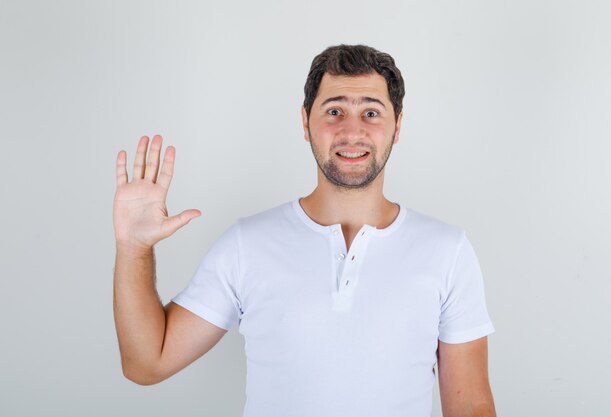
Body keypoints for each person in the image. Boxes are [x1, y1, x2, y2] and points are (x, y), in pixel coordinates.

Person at [113, 44, 497, 417]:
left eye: (371, 113)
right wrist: (133, 248)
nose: (351, 130)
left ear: (397, 126)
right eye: (334, 110)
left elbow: (471, 407)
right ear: (305, 123)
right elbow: (147, 363)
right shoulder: (247, 245)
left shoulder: (448, 250)